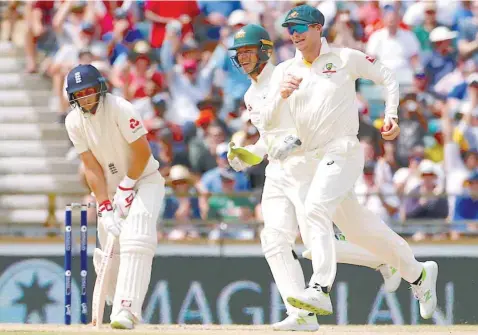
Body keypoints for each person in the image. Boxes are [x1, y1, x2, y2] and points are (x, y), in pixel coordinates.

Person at [260, 4, 438, 320]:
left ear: (317, 28)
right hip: (312, 160)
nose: (295, 34)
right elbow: (269, 122)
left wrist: (391, 115)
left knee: (315, 209)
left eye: (300, 27)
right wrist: (281, 96)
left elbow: (386, 74)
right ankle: (418, 274)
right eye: (291, 29)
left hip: (342, 151)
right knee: (359, 232)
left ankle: (320, 287)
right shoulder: (286, 71)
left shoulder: (343, 58)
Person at [227, 23, 401, 331]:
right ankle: (302, 314)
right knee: (273, 239)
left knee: (312, 243)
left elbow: (312, 120)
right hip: (278, 171)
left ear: (264, 52)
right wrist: (248, 154)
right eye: (239, 54)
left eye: (248, 53)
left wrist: (291, 142)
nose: (243, 60)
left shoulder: (288, 74)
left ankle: (385, 258)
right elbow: (268, 138)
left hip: (309, 164)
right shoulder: (250, 95)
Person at [64, 64, 165, 329]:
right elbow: (90, 166)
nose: (86, 97)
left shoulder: (121, 108)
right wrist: (105, 205)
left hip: (145, 180)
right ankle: (112, 299)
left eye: (89, 91)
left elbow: (143, 152)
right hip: (110, 189)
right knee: (112, 249)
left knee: (137, 236)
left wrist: (127, 185)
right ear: (72, 97)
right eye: (79, 93)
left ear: (100, 88)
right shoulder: (73, 121)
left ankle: (127, 311)